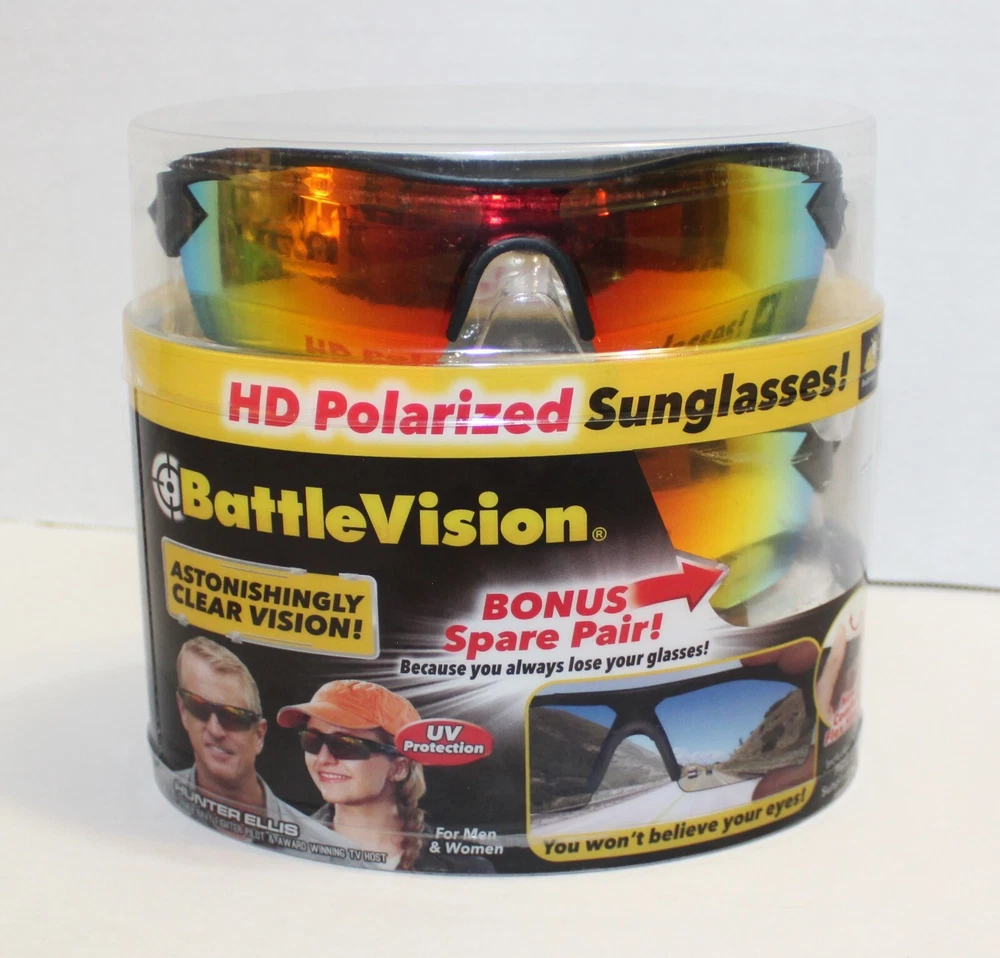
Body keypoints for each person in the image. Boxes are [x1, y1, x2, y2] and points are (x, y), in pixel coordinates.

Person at [278, 680, 494, 872]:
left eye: (345, 745)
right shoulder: (284, 846)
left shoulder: (465, 868)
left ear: (398, 768)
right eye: (312, 741)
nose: (323, 758)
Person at [172, 636, 348, 854]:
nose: (215, 730)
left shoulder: (326, 848)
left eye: (233, 717)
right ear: (183, 711)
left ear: (259, 735)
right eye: (198, 707)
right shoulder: (158, 802)